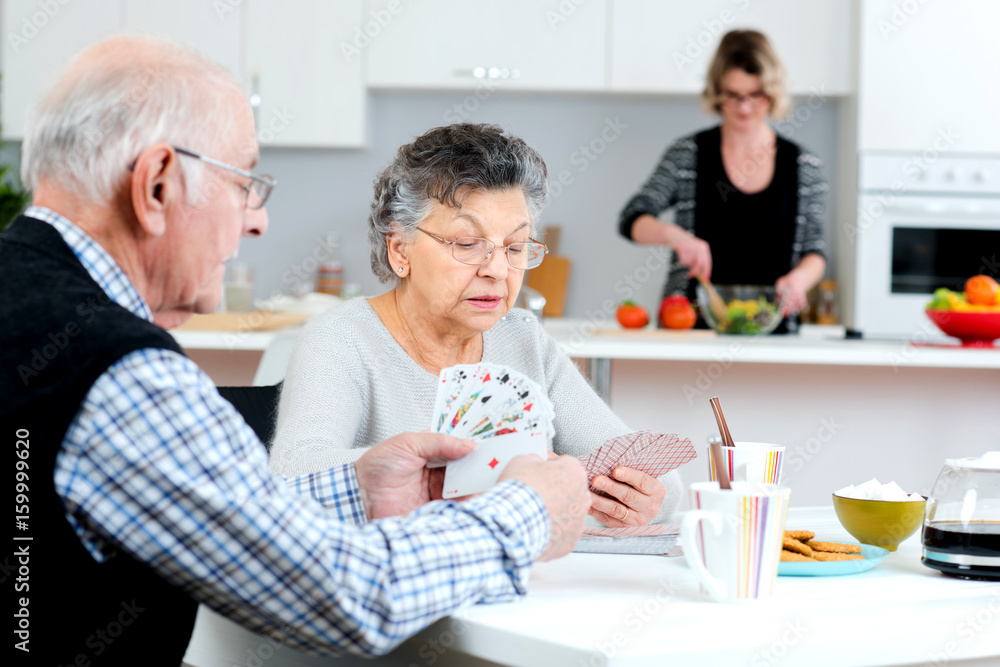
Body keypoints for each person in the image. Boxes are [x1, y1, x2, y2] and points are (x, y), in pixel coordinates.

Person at [0, 35, 590, 666]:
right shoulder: (117, 373)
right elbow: (348, 595)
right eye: (244, 184)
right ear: (158, 186)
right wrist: (525, 513)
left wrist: (357, 487)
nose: (258, 221)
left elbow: (214, 513)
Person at [270, 123, 694, 528]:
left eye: (515, 246)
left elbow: (655, 478)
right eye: (468, 244)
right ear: (400, 250)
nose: (497, 269)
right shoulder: (343, 338)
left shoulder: (522, 337)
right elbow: (290, 477)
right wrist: (450, 474)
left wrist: (644, 498)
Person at [617, 30, 828, 333]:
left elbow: (815, 251)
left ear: (773, 93)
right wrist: (674, 235)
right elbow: (631, 218)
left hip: (773, 329)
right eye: (733, 95)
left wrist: (800, 280)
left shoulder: (805, 166)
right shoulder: (687, 154)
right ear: (717, 92)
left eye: (755, 95)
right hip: (688, 326)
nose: (744, 107)